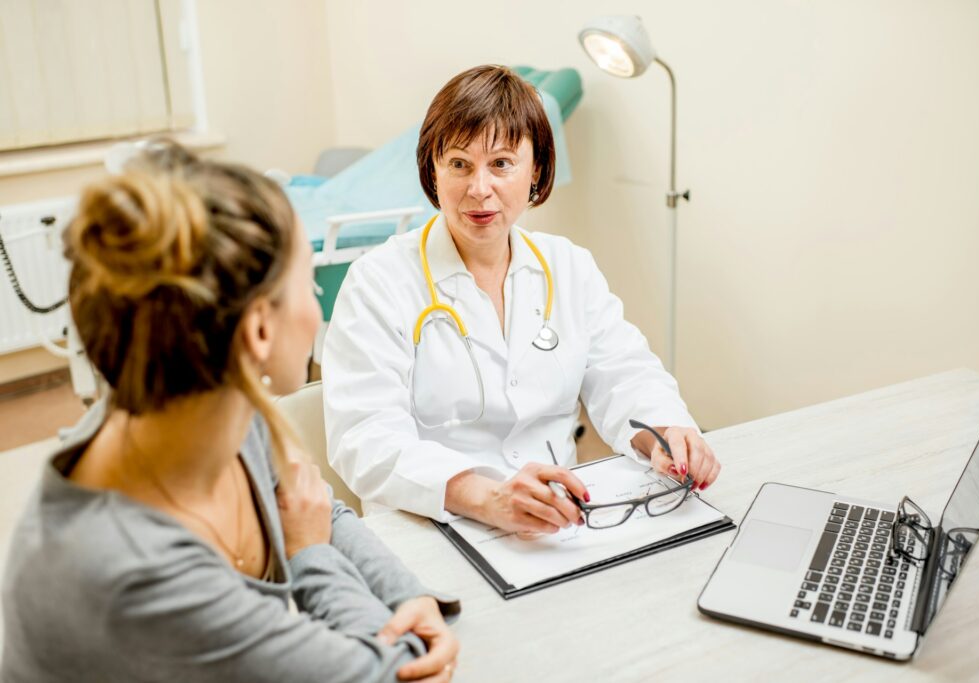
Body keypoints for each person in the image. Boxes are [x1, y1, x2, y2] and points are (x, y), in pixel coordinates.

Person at [0, 142, 459, 682]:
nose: (317, 310)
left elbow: (315, 506)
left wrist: (407, 594)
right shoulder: (131, 574)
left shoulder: (213, 396)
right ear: (259, 331)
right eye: (310, 287)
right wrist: (309, 557)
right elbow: (395, 676)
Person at [322, 65, 721, 534]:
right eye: (459, 164)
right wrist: (484, 495)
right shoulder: (378, 282)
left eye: (502, 163)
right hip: (431, 523)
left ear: (536, 170)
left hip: (557, 521)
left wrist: (668, 432)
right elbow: (364, 438)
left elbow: (626, 374)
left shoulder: (569, 267)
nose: (479, 188)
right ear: (433, 169)